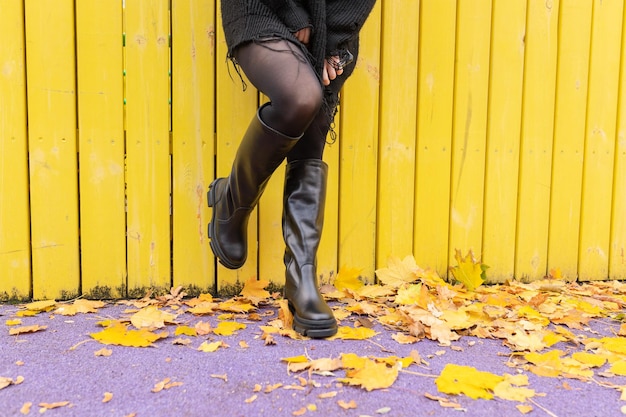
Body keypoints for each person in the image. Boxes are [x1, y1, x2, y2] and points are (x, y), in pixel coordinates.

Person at [208, 0, 377, 338]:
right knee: (300, 96)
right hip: (263, 7)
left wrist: (331, 42)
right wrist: (294, 13)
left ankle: (301, 279)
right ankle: (233, 202)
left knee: (314, 120)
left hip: (332, 20)